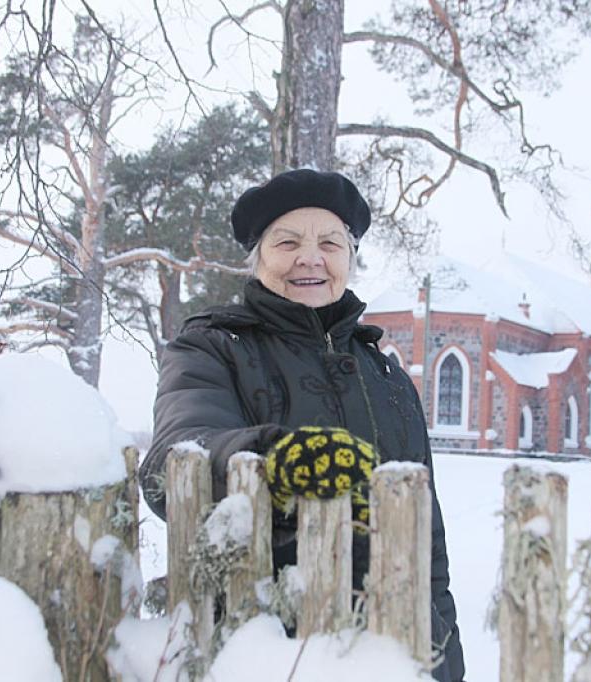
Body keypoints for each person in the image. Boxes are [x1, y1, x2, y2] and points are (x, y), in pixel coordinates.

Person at [139, 168, 465, 681]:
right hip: (264, 649)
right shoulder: (213, 348)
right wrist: (279, 462)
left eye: (330, 243)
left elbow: (429, 542)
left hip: (394, 654)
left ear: (348, 259)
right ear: (258, 259)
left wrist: (446, 663)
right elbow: (175, 458)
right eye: (287, 242)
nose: (310, 258)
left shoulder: (387, 376)